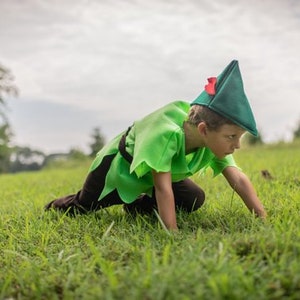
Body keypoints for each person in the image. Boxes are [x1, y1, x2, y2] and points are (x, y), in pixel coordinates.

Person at [45, 60, 266, 231]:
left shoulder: (214, 141)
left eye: (239, 137)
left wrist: (262, 218)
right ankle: (54, 206)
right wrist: (172, 232)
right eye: (231, 136)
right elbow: (162, 188)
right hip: (119, 168)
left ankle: (135, 207)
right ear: (203, 129)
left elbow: (237, 178)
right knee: (86, 204)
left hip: (155, 175)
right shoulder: (166, 134)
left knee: (192, 198)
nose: (237, 144)